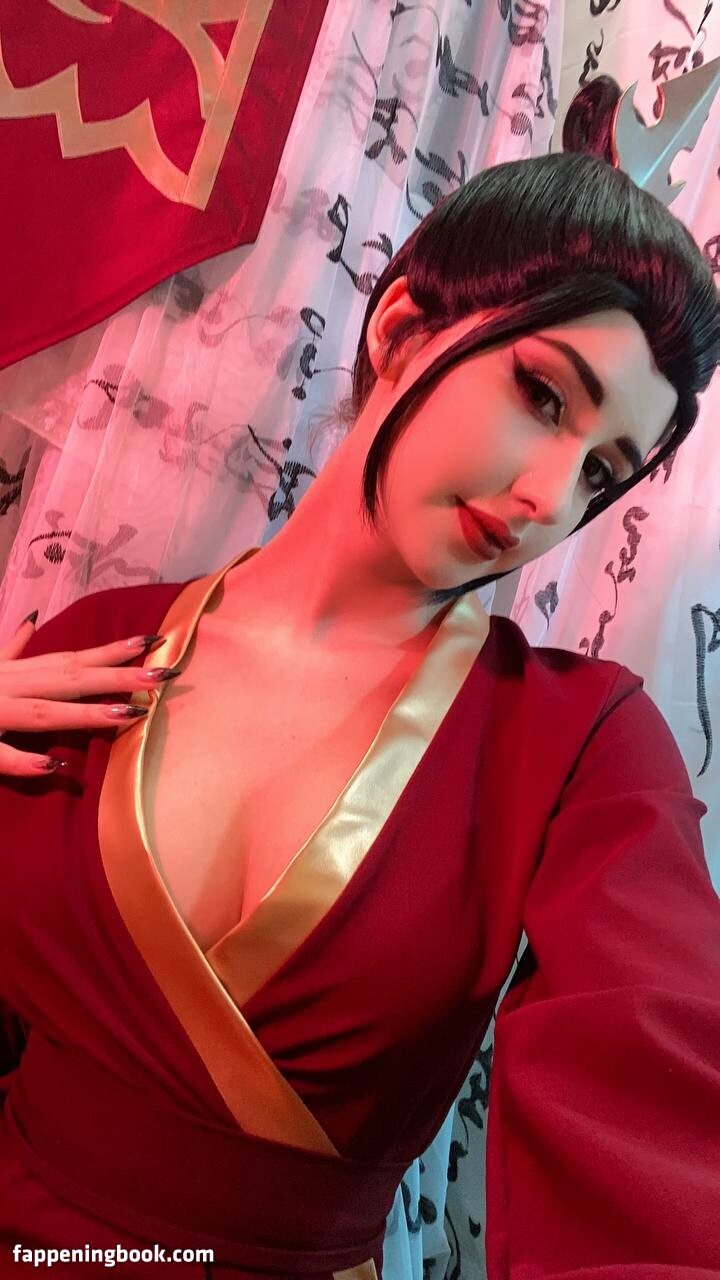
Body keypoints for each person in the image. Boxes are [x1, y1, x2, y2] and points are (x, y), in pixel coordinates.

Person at [0, 146, 719, 1280]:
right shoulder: (95, 643)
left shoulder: (576, 742)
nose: (548, 498)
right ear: (402, 330)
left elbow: (660, 1086)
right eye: (543, 396)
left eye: (600, 473)